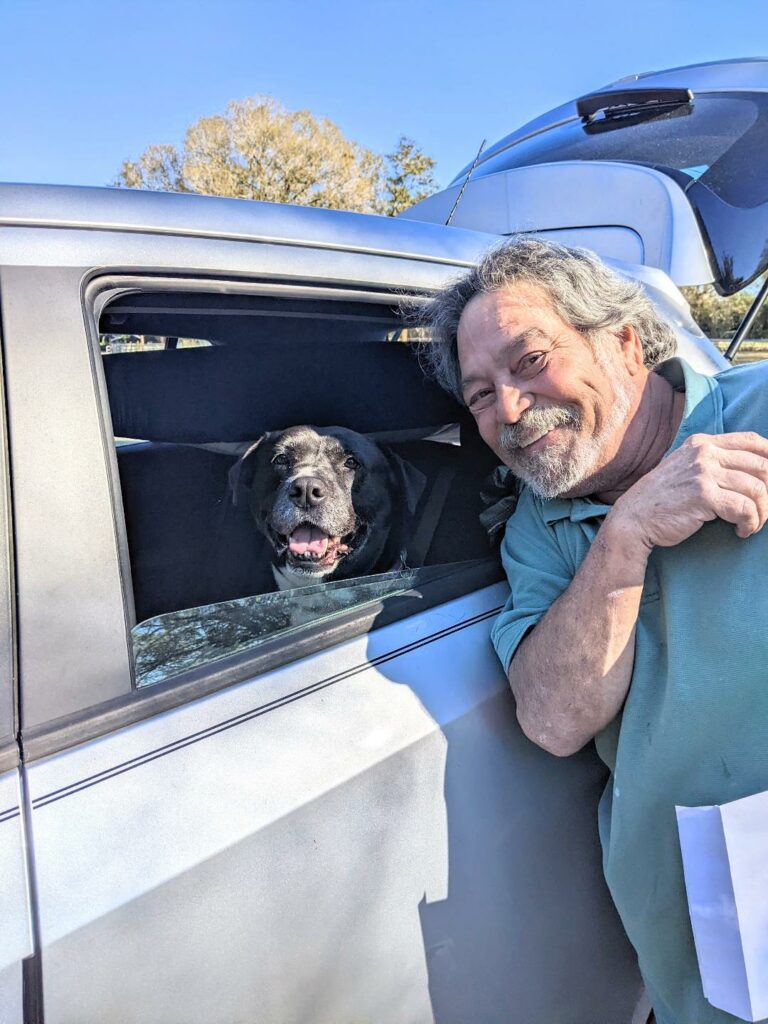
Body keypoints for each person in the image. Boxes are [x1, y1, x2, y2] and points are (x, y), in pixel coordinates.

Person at [420, 237, 768, 1024]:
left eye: (530, 360)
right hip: (706, 965)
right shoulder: (537, 530)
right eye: (479, 395)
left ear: (623, 342)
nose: (507, 409)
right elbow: (551, 719)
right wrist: (627, 534)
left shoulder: (761, 413)